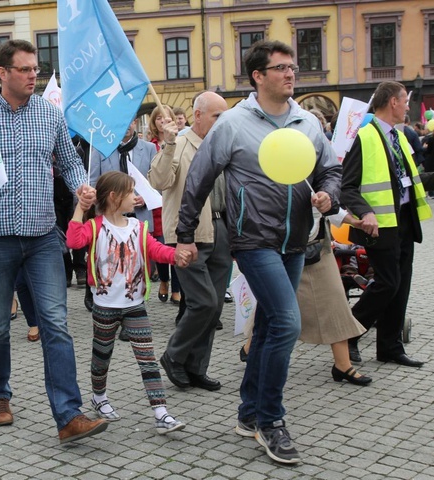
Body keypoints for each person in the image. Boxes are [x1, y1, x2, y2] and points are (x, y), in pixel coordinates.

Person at [0, 39, 107, 444]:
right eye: (25, 70)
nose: (34, 76)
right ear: (4, 73)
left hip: (44, 236)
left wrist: (83, 186)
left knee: (56, 324)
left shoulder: (50, 114)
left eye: (36, 69)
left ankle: (68, 414)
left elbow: (69, 160)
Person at [176, 40, 341, 464]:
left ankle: (249, 413)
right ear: (258, 76)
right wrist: (184, 234)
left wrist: (327, 194)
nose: (291, 74)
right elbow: (197, 180)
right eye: (281, 68)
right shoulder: (232, 123)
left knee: (270, 328)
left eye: (293, 67)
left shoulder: (307, 122)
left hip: (297, 241)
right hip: (252, 240)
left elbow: (330, 169)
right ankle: (271, 420)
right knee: (287, 323)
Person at [67, 171, 189, 435]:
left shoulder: (138, 227)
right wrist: (81, 207)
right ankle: (98, 397)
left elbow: (156, 250)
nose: (136, 197)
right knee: (102, 356)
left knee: (147, 359)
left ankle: (161, 413)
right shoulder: (95, 227)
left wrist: (176, 255)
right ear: (114, 196)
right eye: (131, 192)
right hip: (105, 305)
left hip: (135, 305)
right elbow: (73, 241)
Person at [341, 81, 431, 368]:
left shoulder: (400, 137)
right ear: (393, 102)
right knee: (387, 283)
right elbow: (347, 186)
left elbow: (414, 181)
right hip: (378, 225)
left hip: (404, 221)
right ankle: (349, 335)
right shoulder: (364, 136)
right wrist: (365, 212)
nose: (407, 105)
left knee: (401, 285)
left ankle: (390, 347)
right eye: (405, 100)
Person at [149, 91, 232, 391]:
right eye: (216, 116)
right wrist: (168, 143)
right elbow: (158, 181)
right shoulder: (179, 144)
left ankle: (196, 368)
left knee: (215, 308)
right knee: (203, 303)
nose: (223, 122)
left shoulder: (223, 145)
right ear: (198, 116)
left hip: (221, 230)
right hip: (189, 235)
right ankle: (174, 355)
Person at [239, 209, 373, 387]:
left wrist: (351, 219)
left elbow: (329, 204)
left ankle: (342, 364)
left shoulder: (317, 182)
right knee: (276, 302)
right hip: (285, 246)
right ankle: (250, 348)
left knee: (335, 302)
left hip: (316, 247)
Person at [88, 117, 155, 341]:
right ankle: (107, 313)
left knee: (136, 267)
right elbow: (93, 183)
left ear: (136, 123)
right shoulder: (100, 148)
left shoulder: (149, 148)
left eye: (130, 121)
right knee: (112, 268)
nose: (125, 125)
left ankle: (132, 316)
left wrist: (144, 198)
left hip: (139, 217)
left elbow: (155, 183)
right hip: (109, 220)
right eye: (121, 121)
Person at [146, 105, 180, 305]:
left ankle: (176, 287)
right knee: (159, 241)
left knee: (174, 242)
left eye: (166, 117)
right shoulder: (149, 145)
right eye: (158, 118)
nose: (162, 121)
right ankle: (164, 280)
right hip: (155, 201)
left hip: (172, 198)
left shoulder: (179, 140)